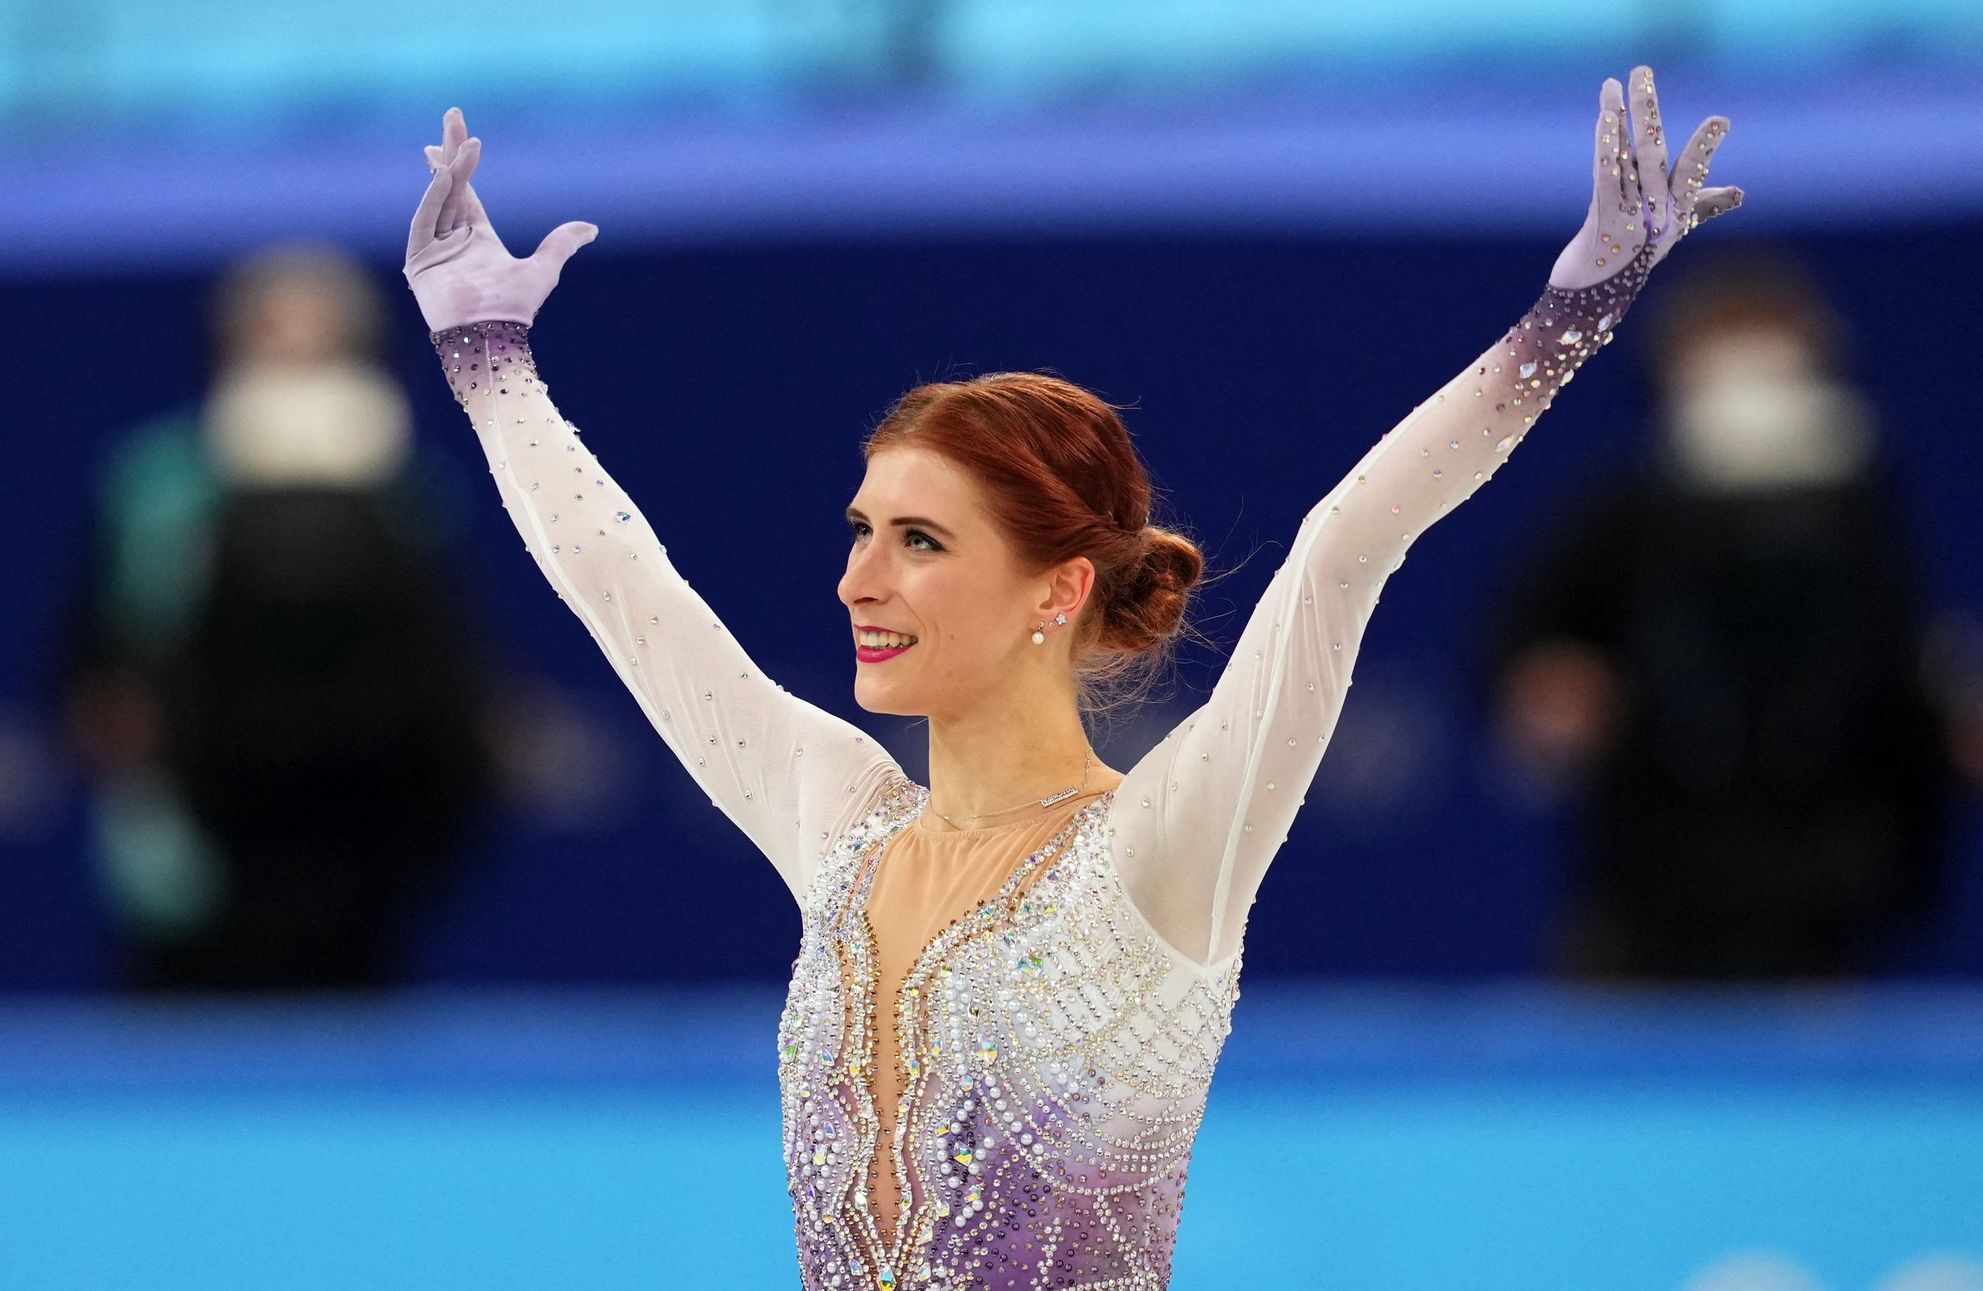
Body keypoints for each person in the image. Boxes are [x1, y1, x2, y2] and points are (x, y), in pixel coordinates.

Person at [402, 67, 1740, 1289]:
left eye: (919, 541)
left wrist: (1566, 317)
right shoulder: (841, 823)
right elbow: (628, 596)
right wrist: (487, 357)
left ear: (1057, 587)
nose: (858, 579)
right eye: (860, 531)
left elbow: (1344, 547)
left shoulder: (1157, 851)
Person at [1483, 248, 1968, 979]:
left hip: (1820, 897)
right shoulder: (1624, 516)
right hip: (1651, 886)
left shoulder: (1865, 522)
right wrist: (1547, 685)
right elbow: (1523, 654)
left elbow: (1900, 674)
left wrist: (1943, 722)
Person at [59, 245, 499, 991]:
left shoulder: (412, 498)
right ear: (227, 352)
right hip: (186, 847)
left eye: (321, 346)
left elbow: (446, 685)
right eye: (271, 341)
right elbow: (96, 667)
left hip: (362, 850)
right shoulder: (154, 485)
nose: (294, 365)